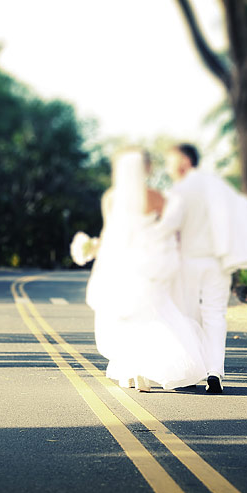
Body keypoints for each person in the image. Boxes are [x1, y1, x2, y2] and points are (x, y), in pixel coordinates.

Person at [76, 148, 208, 392]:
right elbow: (166, 232)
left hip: (119, 263)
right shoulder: (157, 198)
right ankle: (145, 368)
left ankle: (132, 370)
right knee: (152, 314)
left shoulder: (111, 198)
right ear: (148, 169)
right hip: (149, 262)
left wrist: (94, 247)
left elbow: (109, 233)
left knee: (125, 317)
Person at [158, 143, 247, 393]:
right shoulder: (218, 186)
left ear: (185, 162)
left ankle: (190, 370)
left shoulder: (182, 190)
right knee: (215, 315)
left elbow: (169, 226)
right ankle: (215, 372)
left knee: (187, 313)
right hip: (219, 261)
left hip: (189, 261)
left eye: (170, 161)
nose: (168, 168)